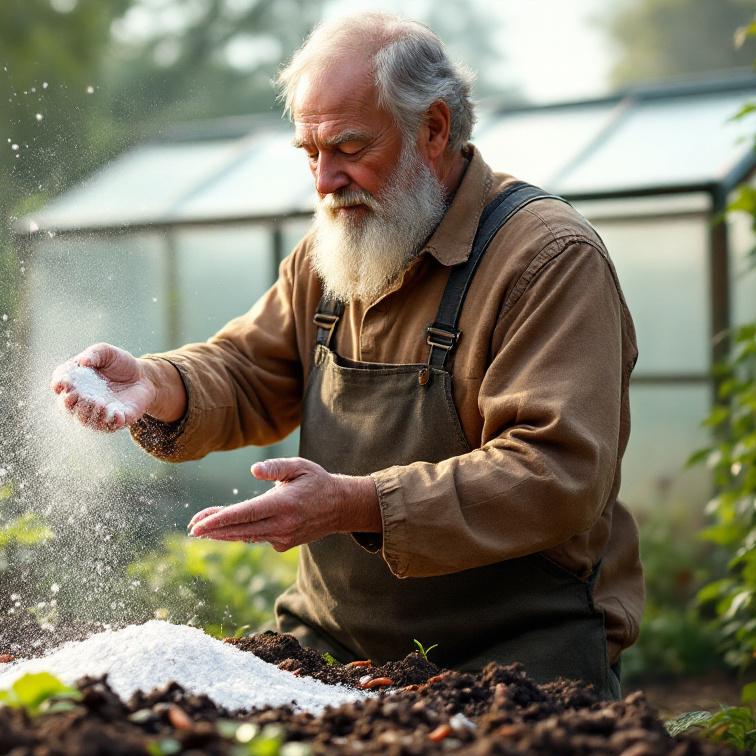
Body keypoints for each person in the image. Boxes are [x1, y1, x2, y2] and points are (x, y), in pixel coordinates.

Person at [50, 11, 642, 699]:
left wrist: (358, 504)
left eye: (350, 148)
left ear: (434, 130)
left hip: (515, 659)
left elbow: (557, 472)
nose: (325, 181)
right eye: (310, 152)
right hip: (332, 647)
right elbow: (250, 369)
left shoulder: (545, 260)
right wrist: (156, 384)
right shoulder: (337, 247)